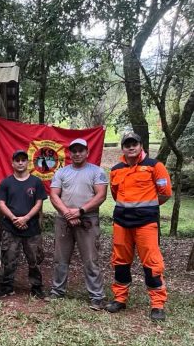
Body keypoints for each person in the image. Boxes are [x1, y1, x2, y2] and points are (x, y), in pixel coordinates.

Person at [106, 132, 172, 321]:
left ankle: (157, 304)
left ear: (141, 146)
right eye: (127, 145)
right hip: (121, 222)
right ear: (123, 148)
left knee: (152, 262)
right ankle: (120, 299)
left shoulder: (155, 166)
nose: (131, 147)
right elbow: (115, 194)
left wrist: (146, 208)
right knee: (120, 261)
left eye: (134, 144)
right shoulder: (116, 170)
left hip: (146, 223)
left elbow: (165, 193)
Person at [47, 138, 108, 310]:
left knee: (90, 259)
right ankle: (57, 291)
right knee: (60, 258)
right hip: (64, 220)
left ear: (87, 152)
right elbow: (54, 195)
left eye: (81, 150)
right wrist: (67, 213)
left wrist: (80, 211)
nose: (77, 153)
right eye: (74, 151)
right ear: (70, 153)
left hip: (87, 220)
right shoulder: (61, 172)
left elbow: (101, 195)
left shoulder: (97, 171)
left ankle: (97, 296)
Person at [0, 150, 47, 298]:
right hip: (10, 227)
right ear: (12, 163)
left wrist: (26, 218)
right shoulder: (6, 182)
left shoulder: (36, 182)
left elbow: (39, 203)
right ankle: (6, 287)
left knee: (35, 259)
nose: (20, 163)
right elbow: (1, 204)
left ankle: (36, 287)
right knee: (8, 258)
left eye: (23, 160)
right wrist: (14, 219)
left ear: (27, 162)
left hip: (32, 227)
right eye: (17, 160)